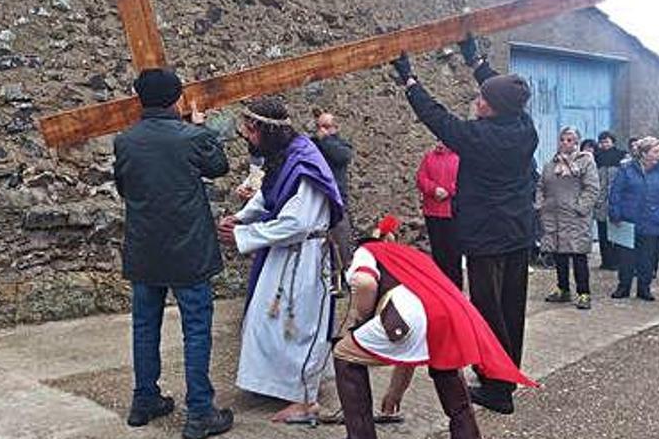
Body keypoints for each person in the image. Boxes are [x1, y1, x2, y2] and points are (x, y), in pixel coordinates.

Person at [391, 37, 538, 415]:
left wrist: (410, 81)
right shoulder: (524, 126)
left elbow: (437, 117)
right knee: (511, 308)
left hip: (487, 238)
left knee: (489, 312)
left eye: (483, 99)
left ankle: (498, 388)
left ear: (496, 108)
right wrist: (475, 59)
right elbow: (499, 90)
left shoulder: (481, 138)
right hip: (517, 234)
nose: (478, 101)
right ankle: (504, 378)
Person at [331, 216, 537, 439]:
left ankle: (361, 435)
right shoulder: (412, 256)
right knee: (444, 365)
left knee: (344, 354)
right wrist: (395, 392)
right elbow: (411, 352)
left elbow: (364, 282)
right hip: (444, 315)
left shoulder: (368, 251)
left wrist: (360, 318)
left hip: (406, 317)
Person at [113, 69, 234, 439]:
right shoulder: (192, 137)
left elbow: (123, 186)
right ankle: (199, 411)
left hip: (145, 247)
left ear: (140, 100)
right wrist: (202, 128)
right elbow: (219, 166)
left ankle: (143, 399)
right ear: (177, 99)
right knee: (196, 329)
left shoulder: (125, 141)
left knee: (144, 326)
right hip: (188, 249)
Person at [218, 97, 344, 422]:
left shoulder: (305, 162)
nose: (246, 134)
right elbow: (270, 191)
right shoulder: (284, 154)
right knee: (264, 322)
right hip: (284, 254)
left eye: (250, 128)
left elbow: (297, 222)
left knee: (300, 326)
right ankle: (277, 383)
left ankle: (306, 400)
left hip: (305, 258)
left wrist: (244, 236)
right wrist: (243, 217)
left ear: (264, 129)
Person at [536, 127, 600, 309]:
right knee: (559, 254)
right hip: (553, 216)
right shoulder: (551, 164)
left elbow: (592, 188)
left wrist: (580, 207)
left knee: (578, 255)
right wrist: (541, 205)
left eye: (570, 140)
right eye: (562, 139)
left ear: (577, 142)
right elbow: (541, 185)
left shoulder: (586, 163)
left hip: (575, 217)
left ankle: (584, 292)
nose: (565, 143)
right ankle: (562, 289)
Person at [609, 136, 659, 301]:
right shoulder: (626, 168)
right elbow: (616, 192)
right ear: (644, 153)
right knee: (626, 257)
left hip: (652, 219)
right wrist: (615, 212)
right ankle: (623, 286)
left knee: (647, 257)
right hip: (629, 219)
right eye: (655, 151)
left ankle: (644, 288)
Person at [416, 142, 463, 288]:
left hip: (452, 212)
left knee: (453, 253)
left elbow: (463, 181)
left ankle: (455, 287)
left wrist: (448, 190)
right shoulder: (429, 157)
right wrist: (433, 189)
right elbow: (421, 178)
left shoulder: (459, 158)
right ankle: (440, 286)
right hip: (433, 211)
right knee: (438, 252)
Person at [312, 112, 355, 270]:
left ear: (335, 128)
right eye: (319, 127)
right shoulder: (313, 145)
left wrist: (326, 140)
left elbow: (342, 157)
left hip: (336, 198)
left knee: (340, 238)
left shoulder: (341, 145)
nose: (322, 130)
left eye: (326, 127)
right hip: (316, 198)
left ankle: (342, 274)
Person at [593, 131, 626, 271]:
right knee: (603, 233)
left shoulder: (621, 156)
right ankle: (606, 261)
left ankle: (618, 261)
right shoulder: (596, 158)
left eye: (607, 141)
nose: (604, 144)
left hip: (616, 201)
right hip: (601, 201)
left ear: (613, 141)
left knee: (617, 232)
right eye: (602, 142)